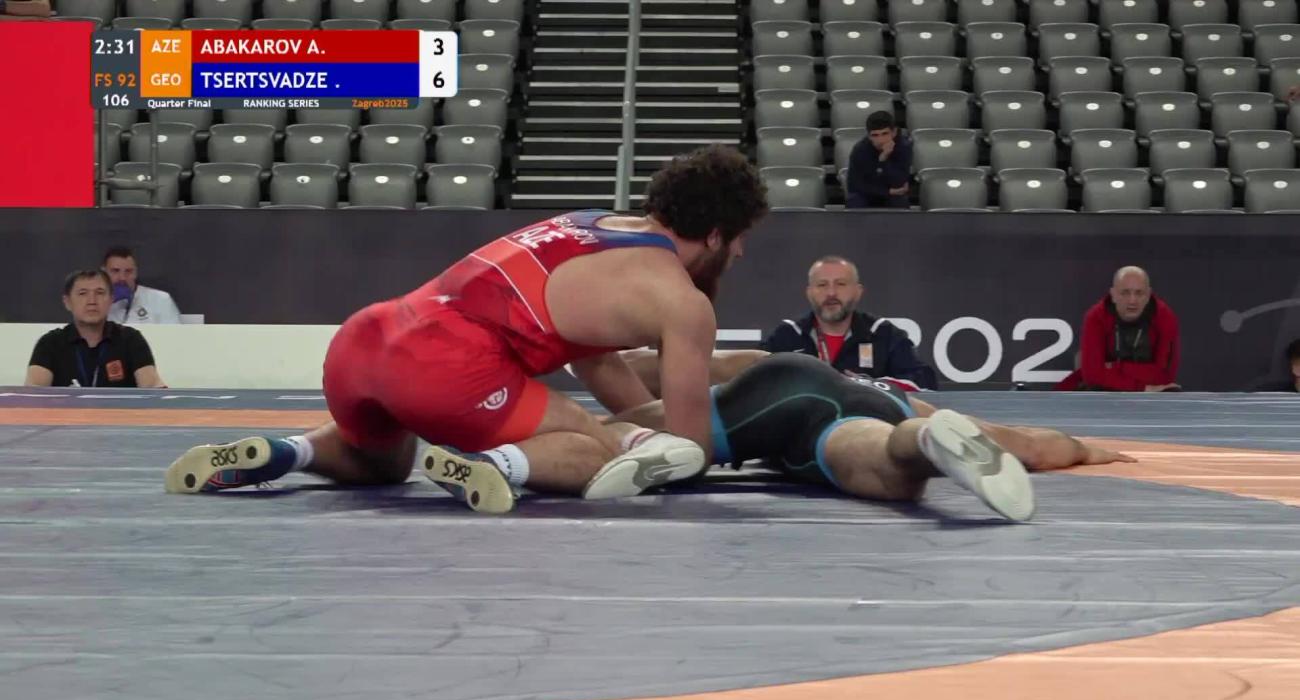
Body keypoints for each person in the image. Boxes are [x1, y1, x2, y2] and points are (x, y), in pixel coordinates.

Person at [164, 145, 770, 513]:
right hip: (449, 366)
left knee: (383, 464)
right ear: (717, 235)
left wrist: (633, 422)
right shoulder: (682, 302)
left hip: (368, 339)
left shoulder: (589, 223)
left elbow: (597, 360)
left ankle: (286, 452)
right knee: (599, 451)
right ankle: (494, 465)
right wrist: (633, 439)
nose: (742, 255)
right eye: (741, 240)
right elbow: (689, 447)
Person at [606, 353, 1136, 521]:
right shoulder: (902, 397)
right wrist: (1085, 450)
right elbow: (1030, 446)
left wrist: (609, 365)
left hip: (780, 385)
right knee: (892, 466)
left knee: (615, 435)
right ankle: (927, 441)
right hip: (879, 415)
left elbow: (695, 366)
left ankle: (628, 439)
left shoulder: (790, 361)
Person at [759, 255, 937, 390]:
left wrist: (871, 385)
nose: (831, 293)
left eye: (841, 284)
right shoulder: (788, 335)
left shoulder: (883, 334)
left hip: (866, 422)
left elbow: (924, 382)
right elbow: (755, 381)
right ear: (809, 292)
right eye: (822, 285)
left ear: (858, 292)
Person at [25, 269, 167, 388]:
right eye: (83, 293)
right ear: (67, 302)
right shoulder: (50, 343)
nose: (92, 301)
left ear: (111, 300)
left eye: (100, 293)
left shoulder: (131, 340)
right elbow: (33, 393)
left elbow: (152, 387)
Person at [1055, 265, 1181, 392]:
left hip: (1140, 391)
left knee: (1171, 391)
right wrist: (1143, 388)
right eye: (1125, 293)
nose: (1132, 300)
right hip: (1102, 391)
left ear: (1148, 295)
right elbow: (1092, 376)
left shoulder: (1165, 317)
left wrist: (1117, 367)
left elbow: (1165, 375)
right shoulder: (1096, 317)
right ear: (1113, 294)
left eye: (1139, 293)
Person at [845, 111, 913, 209]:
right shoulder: (860, 150)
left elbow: (899, 183)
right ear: (869, 136)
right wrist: (887, 191)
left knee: (900, 201)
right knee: (854, 200)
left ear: (894, 132)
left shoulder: (903, 147)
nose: (880, 140)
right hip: (867, 194)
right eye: (875, 135)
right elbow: (855, 185)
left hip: (892, 195)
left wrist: (884, 160)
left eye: (885, 133)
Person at [103, 246, 183, 325]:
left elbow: (175, 332)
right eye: (115, 271)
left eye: (128, 271)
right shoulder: (97, 301)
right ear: (104, 272)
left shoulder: (161, 300)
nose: (122, 278)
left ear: (135, 273)